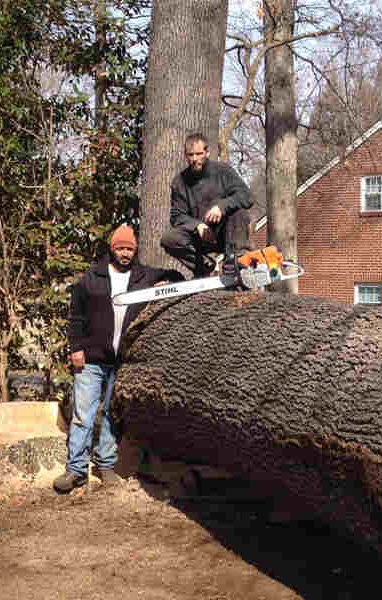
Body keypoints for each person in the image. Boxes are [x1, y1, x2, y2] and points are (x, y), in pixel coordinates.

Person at [53, 225, 183, 493]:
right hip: (91, 358)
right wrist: (76, 348)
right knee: (83, 414)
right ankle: (76, 470)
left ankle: (106, 465)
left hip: (124, 359)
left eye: (129, 249)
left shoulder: (144, 276)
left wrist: (168, 283)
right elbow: (75, 317)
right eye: (121, 248)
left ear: (135, 251)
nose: (125, 253)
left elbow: (177, 276)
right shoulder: (92, 278)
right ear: (112, 249)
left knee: (114, 415)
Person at [160, 133, 254, 277]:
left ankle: (238, 263)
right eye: (190, 155)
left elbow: (246, 197)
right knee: (169, 238)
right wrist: (197, 225)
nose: (195, 159)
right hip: (201, 238)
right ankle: (205, 267)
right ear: (186, 155)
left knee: (239, 212)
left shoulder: (223, 171)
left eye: (199, 154)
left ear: (207, 152)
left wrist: (222, 206)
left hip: (227, 234)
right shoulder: (179, 182)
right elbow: (176, 215)